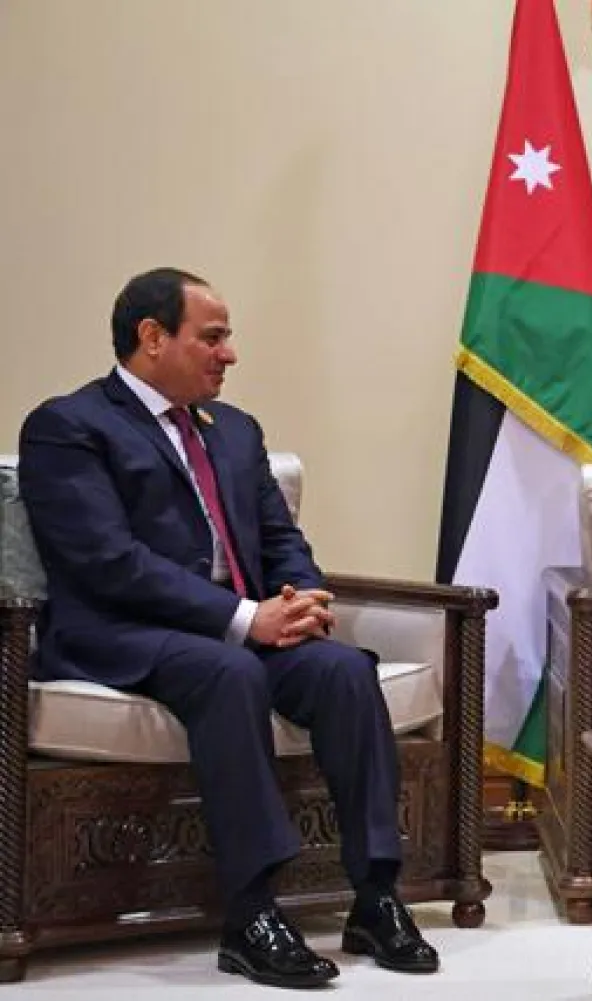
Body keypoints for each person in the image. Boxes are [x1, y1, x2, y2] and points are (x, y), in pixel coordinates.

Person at [18, 268, 439, 988]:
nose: (230, 353)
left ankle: (374, 894)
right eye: (212, 336)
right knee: (230, 670)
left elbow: (280, 538)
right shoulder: (69, 426)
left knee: (343, 668)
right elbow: (108, 562)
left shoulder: (236, 431)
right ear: (152, 337)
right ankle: (250, 912)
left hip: (240, 626)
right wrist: (246, 618)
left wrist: (303, 596)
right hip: (124, 633)